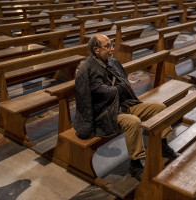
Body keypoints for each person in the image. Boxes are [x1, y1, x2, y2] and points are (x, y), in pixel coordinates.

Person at [74, 34, 179, 181]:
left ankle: (163, 145)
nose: (111, 49)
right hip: (105, 114)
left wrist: (115, 88)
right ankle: (135, 164)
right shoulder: (87, 70)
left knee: (159, 108)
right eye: (107, 46)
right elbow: (101, 94)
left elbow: (123, 85)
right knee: (133, 122)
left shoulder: (113, 63)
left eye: (112, 45)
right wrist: (117, 88)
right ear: (96, 49)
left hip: (123, 105)